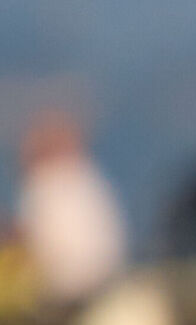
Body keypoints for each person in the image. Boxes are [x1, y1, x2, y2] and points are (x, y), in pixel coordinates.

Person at [15, 110, 127, 304]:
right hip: (105, 282)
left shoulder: (46, 183)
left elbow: (40, 244)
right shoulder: (87, 178)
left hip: (66, 290)